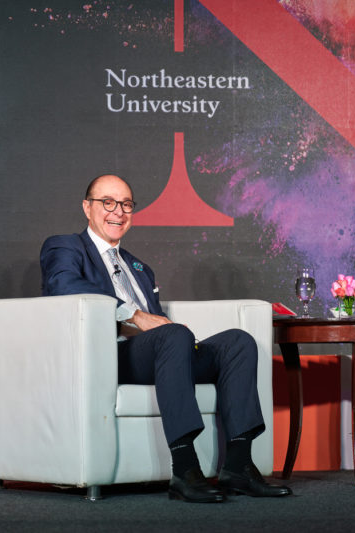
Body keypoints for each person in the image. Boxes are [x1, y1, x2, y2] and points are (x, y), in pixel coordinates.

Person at [40, 174, 292, 503]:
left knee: (238, 343)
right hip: (108, 355)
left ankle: (239, 466)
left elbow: (160, 327)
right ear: (87, 208)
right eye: (108, 203)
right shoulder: (65, 247)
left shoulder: (139, 267)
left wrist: (171, 334)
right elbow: (64, 287)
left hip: (157, 351)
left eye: (126, 204)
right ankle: (185, 470)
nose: (118, 212)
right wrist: (133, 315)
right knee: (174, 335)